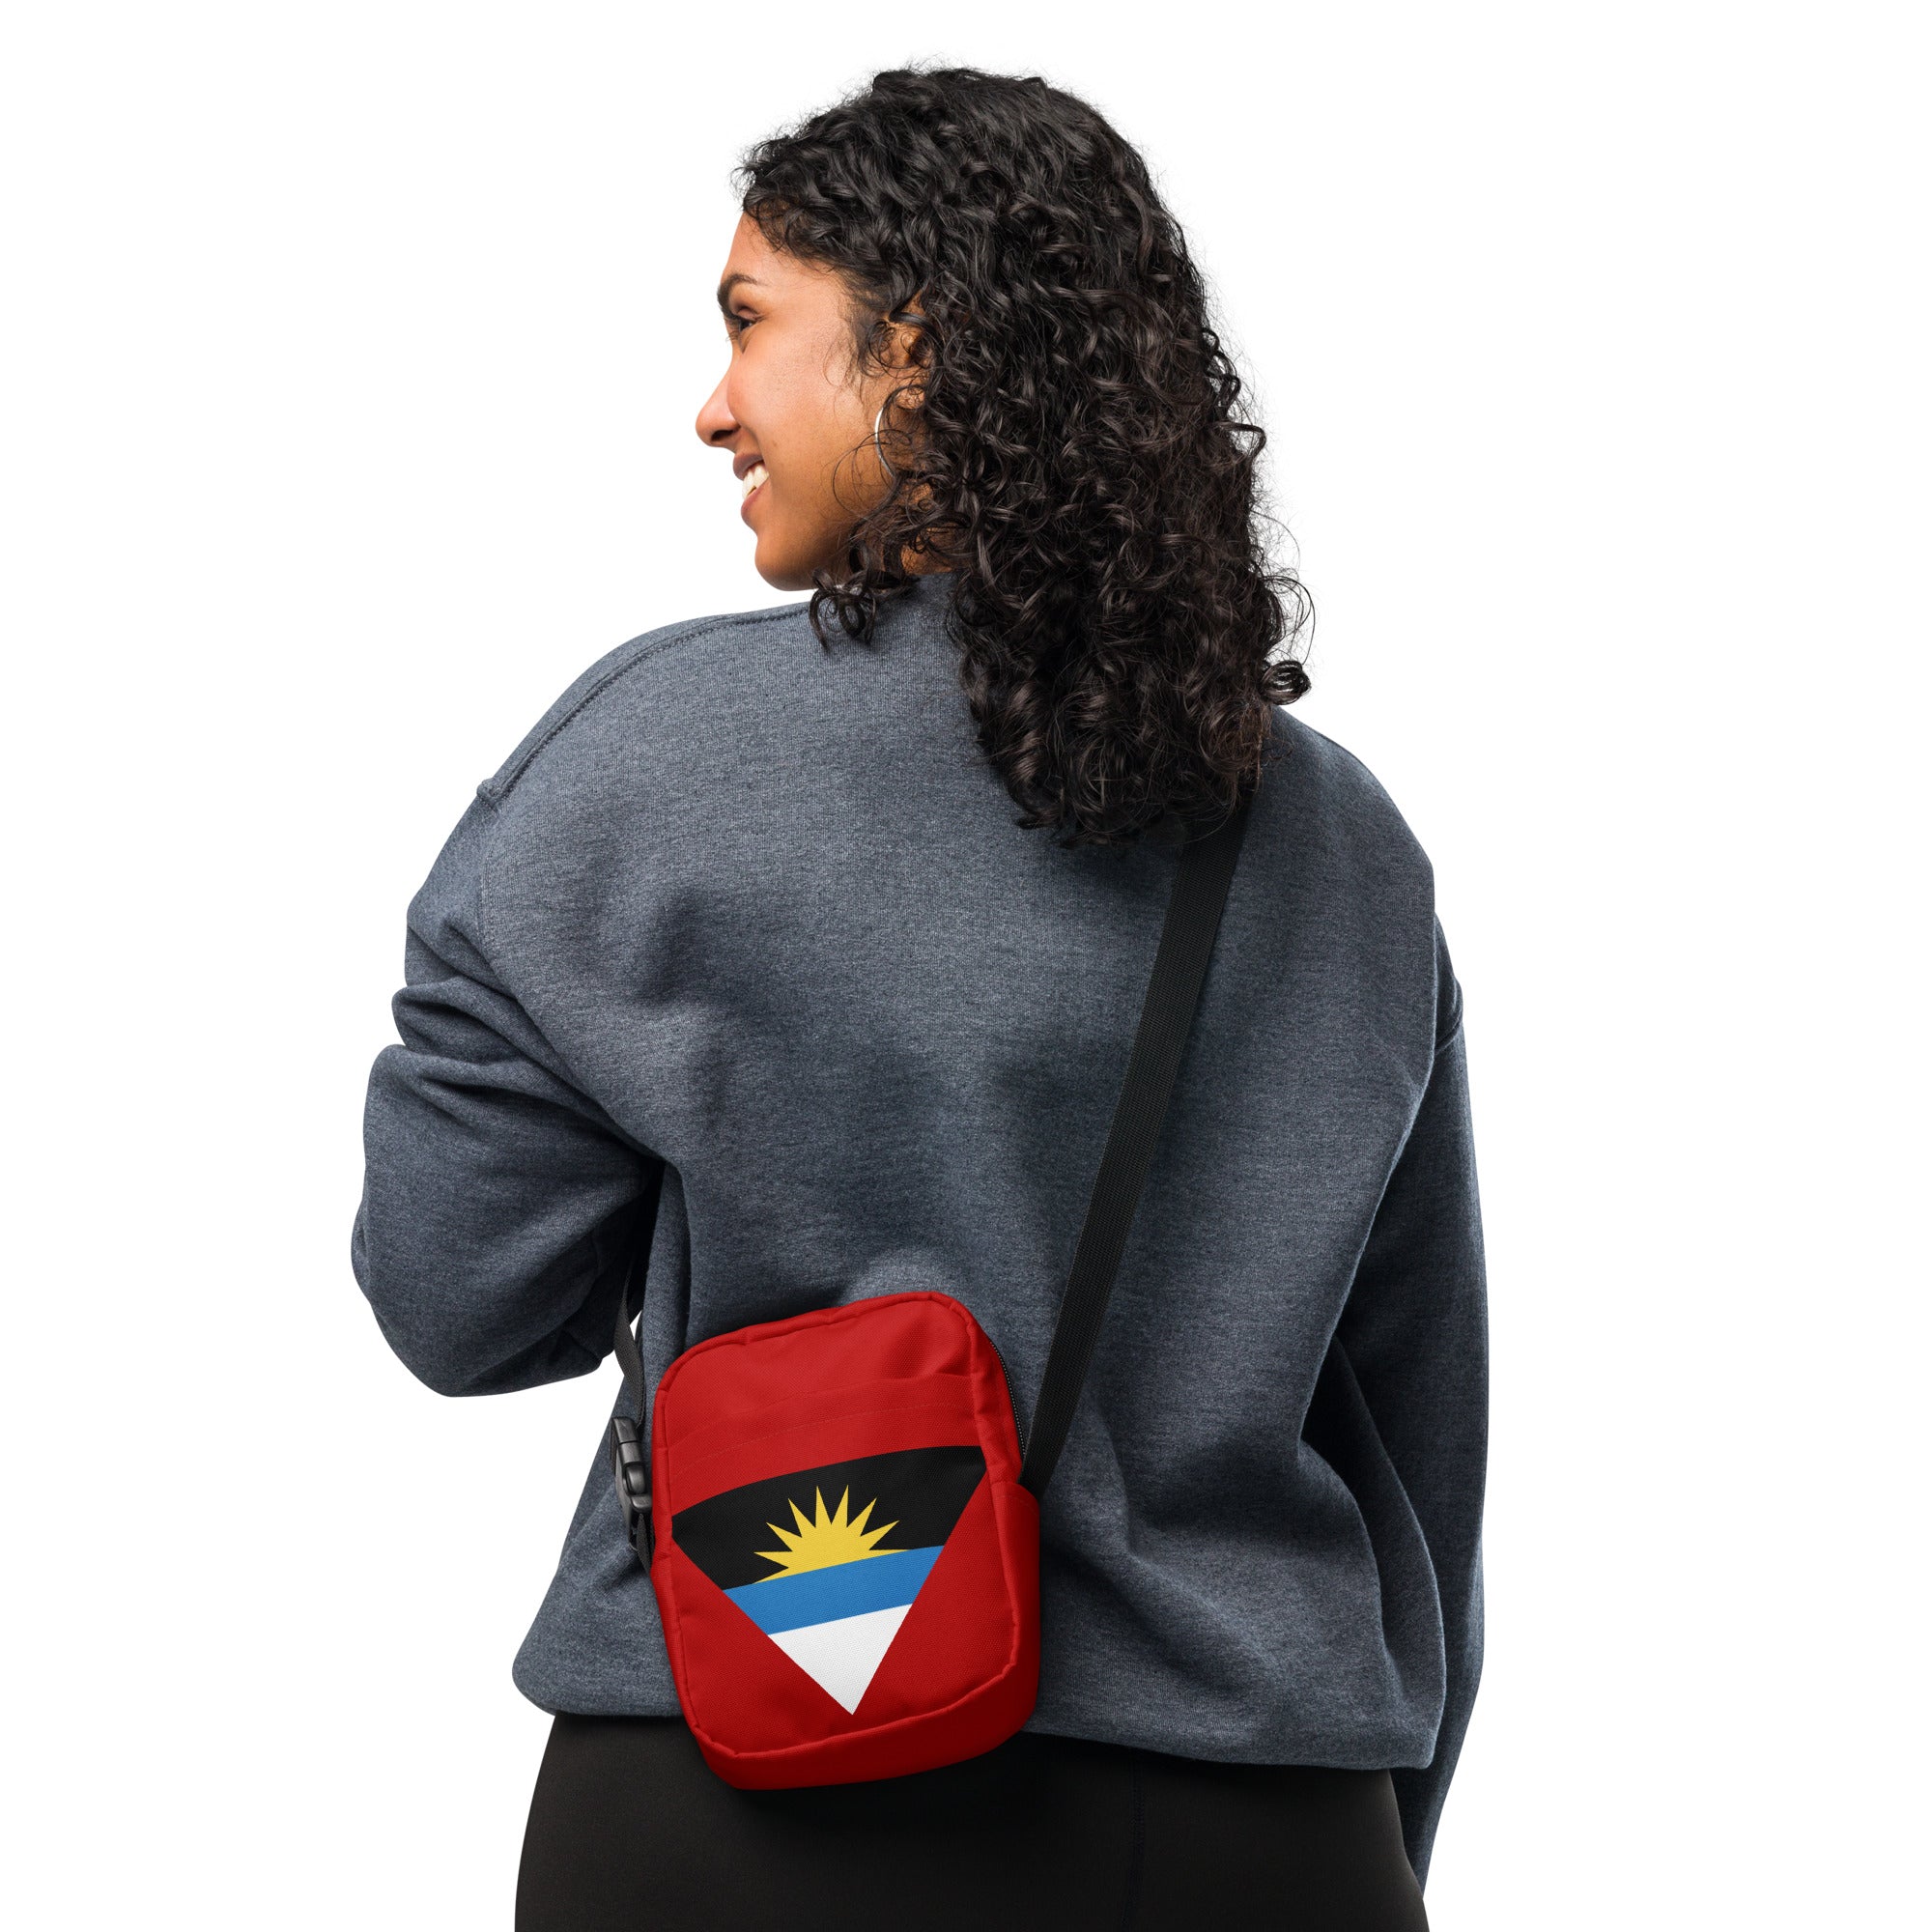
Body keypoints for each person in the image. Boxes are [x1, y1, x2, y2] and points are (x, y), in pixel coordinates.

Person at [353, 66, 1485, 1932]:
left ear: (917, 353)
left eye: (748, 324)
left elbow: (457, 1301)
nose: (712, 405)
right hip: (1252, 1820)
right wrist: (1357, 1832)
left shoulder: (648, 759)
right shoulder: (1342, 842)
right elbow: (1423, 1438)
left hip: (741, 1788)